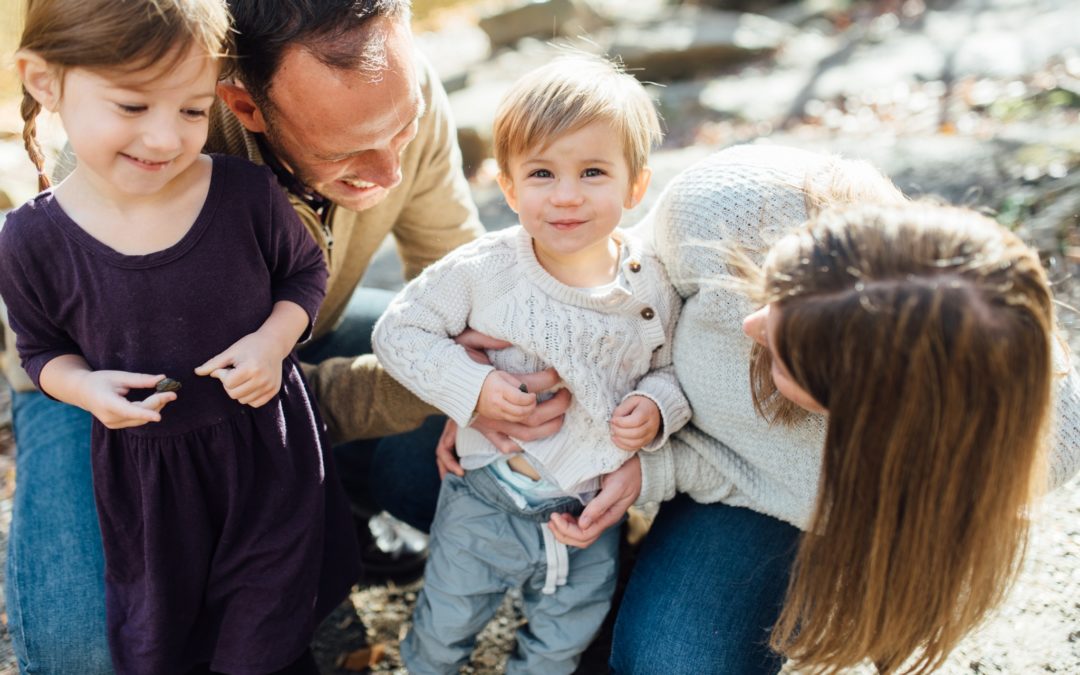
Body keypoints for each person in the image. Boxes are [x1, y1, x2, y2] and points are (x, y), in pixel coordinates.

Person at [2, 1, 569, 671]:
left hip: (287, 352)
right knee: (91, 649)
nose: (389, 170)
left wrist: (468, 382)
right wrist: (420, 385)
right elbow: (102, 368)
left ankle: (329, 498)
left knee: (520, 445)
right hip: (119, 403)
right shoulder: (145, 140)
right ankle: (302, 495)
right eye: (347, 151)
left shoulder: (395, 95)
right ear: (242, 104)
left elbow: (462, 290)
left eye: (404, 126)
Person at [538, 144, 1080, 674]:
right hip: (690, 448)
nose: (755, 325)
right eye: (778, 294)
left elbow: (803, 482)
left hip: (842, 513)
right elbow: (605, 292)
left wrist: (668, 469)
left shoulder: (1030, 449)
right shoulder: (728, 207)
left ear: (864, 411)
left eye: (785, 353)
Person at [4, 0, 360, 672]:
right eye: (133, 107)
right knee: (168, 632)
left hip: (266, 458)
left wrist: (273, 341)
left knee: (267, 631)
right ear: (44, 82)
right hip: (149, 480)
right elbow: (40, 351)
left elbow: (305, 274)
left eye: (193, 110)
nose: (166, 139)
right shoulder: (32, 240)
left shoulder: (246, 195)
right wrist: (85, 388)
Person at [371, 55, 690, 673]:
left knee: (561, 641)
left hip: (586, 511)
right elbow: (398, 331)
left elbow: (673, 369)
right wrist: (474, 388)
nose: (566, 196)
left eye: (592, 171)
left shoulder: (650, 283)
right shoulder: (484, 270)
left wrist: (656, 406)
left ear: (634, 185)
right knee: (444, 624)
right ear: (510, 186)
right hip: (487, 498)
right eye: (542, 173)